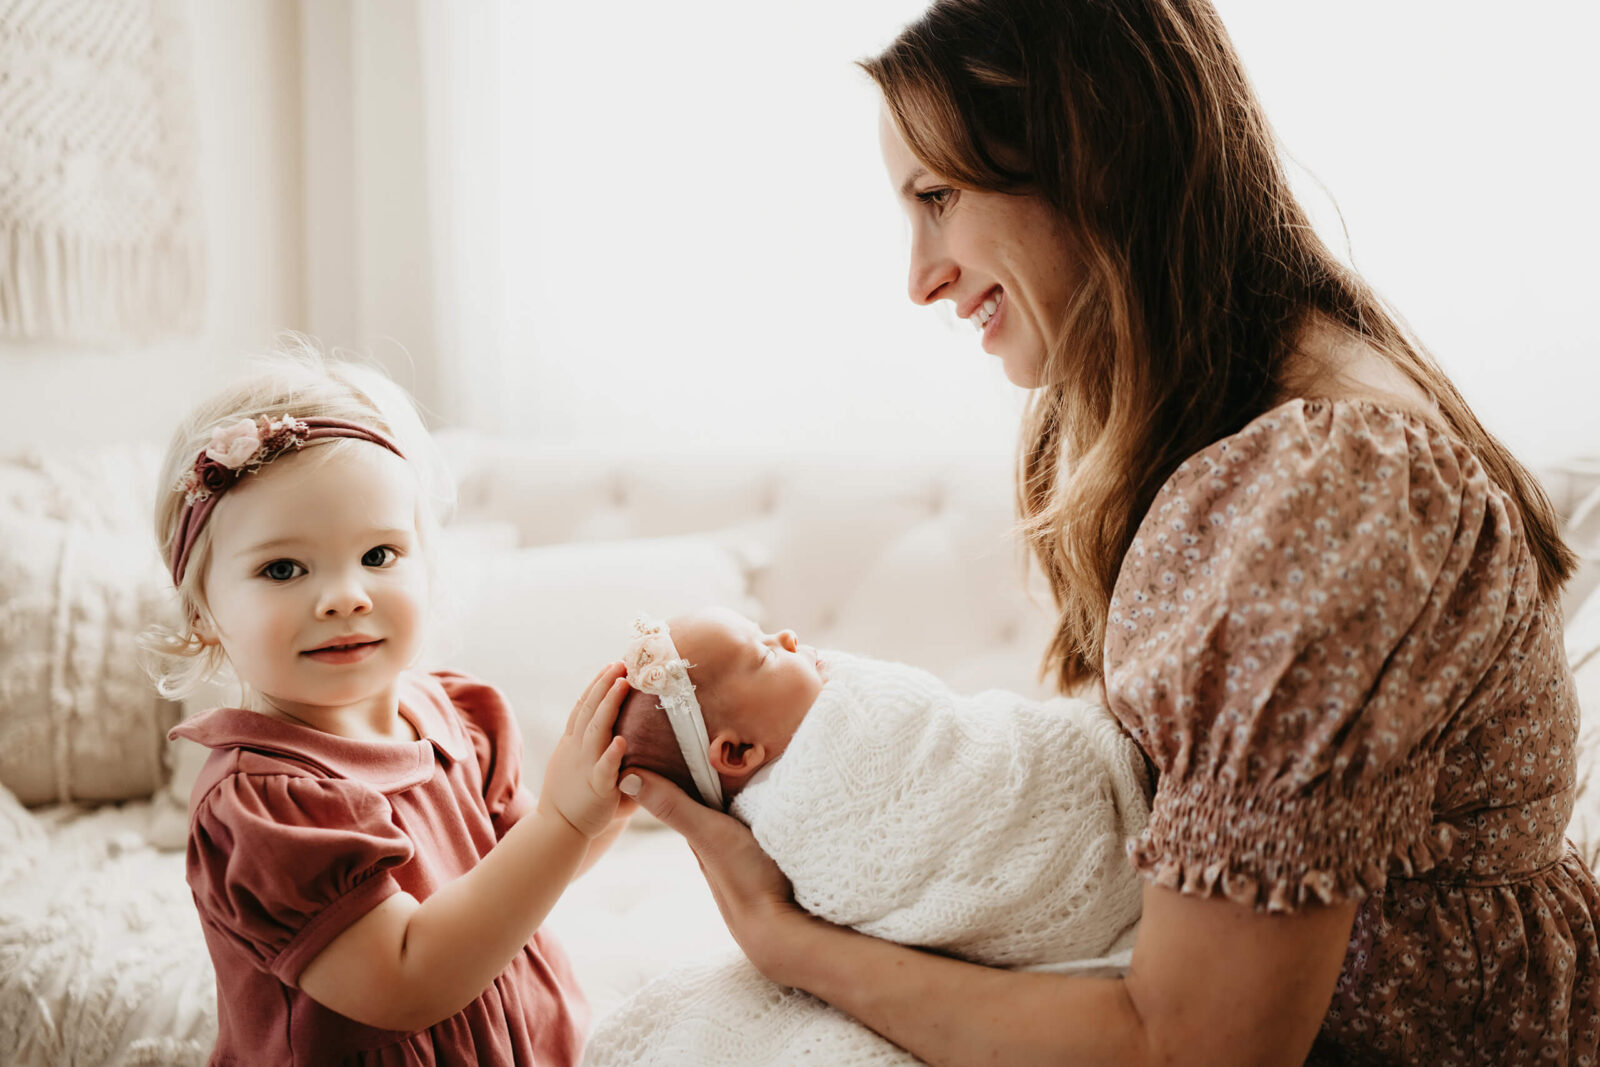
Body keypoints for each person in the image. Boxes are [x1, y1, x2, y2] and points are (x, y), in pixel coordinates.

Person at [614, 1, 1600, 1063]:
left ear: (1093, 157)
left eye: (938, 197)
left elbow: (1190, 1046)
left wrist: (788, 942)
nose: (921, 275)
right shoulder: (1224, 416)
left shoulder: (1321, 494)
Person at [150, 349, 634, 1064]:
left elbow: (534, 864)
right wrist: (567, 817)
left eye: (379, 554)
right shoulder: (261, 803)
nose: (346, 595)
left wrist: (616, 785)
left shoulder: (458, 716)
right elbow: (407, 975)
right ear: (204, 615)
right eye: (283, 568)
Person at [586, 607, 1147, 1064]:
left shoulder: (853, 715)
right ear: (736, 752)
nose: (788, 636)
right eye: (764, 653)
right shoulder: (792, 817)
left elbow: (957, 741)